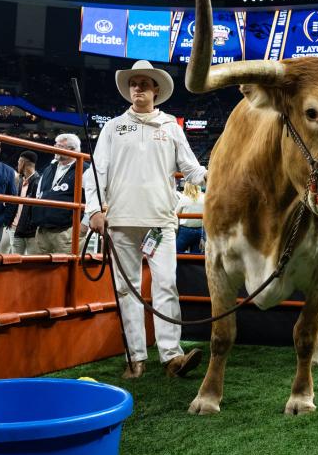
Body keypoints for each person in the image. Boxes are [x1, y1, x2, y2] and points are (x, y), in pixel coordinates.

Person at [85, 60, 206, 380]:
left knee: (166, 284)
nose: (138, 87)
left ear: (156, 90)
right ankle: (135, 357)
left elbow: (193, 170)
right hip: (122, 221)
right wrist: (94, 210)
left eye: (144, 83)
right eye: (133, 83)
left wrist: (218, 176)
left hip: (160, 222)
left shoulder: (170, 127)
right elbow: (96, 172)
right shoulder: (112, 128)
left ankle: (171, 357)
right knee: (127, 289)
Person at [31, 134, 86, 255]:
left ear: (72, 150)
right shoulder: (49, 168)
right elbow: (39, 194)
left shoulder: (84, 169)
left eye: (59, 146)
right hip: (42, 231)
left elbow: (93, 199)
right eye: (55, 144)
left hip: (66, 232)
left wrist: (83, 227)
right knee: (38, 270)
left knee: (64, 271)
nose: (55, 148)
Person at [7, 150, 40, 255]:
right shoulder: (20, 181)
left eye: (18, 162)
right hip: (15, 228)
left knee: (32, 263)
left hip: (31, 231)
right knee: (15, 261)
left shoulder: (38, 182)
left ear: (22, 163)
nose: (17, 165)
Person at [175, 182, 205, 253]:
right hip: (199, 231)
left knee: (177, 253)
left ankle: (179, 264)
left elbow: (176, 213)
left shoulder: (184, 199)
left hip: (185, 230)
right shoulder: (204, 198)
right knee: (196, 256)